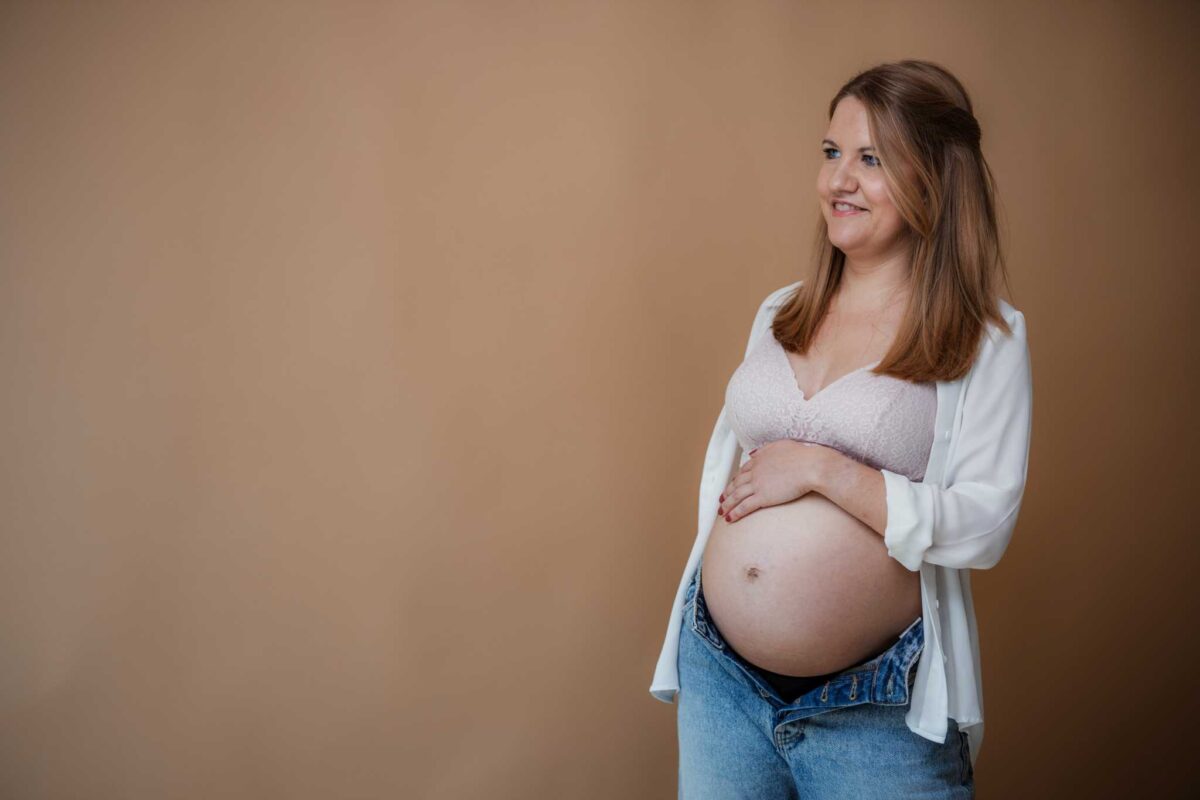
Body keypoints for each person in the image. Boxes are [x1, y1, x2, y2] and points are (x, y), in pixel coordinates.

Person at [648, 60, 1034, 798]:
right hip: (720, 679)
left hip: (875, 710)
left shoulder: (987, 338)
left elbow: (985, 525)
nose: (838, 181)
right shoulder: (780, 309)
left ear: (933, 181)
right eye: (831, 153)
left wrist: (827, 471)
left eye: (871, 159)